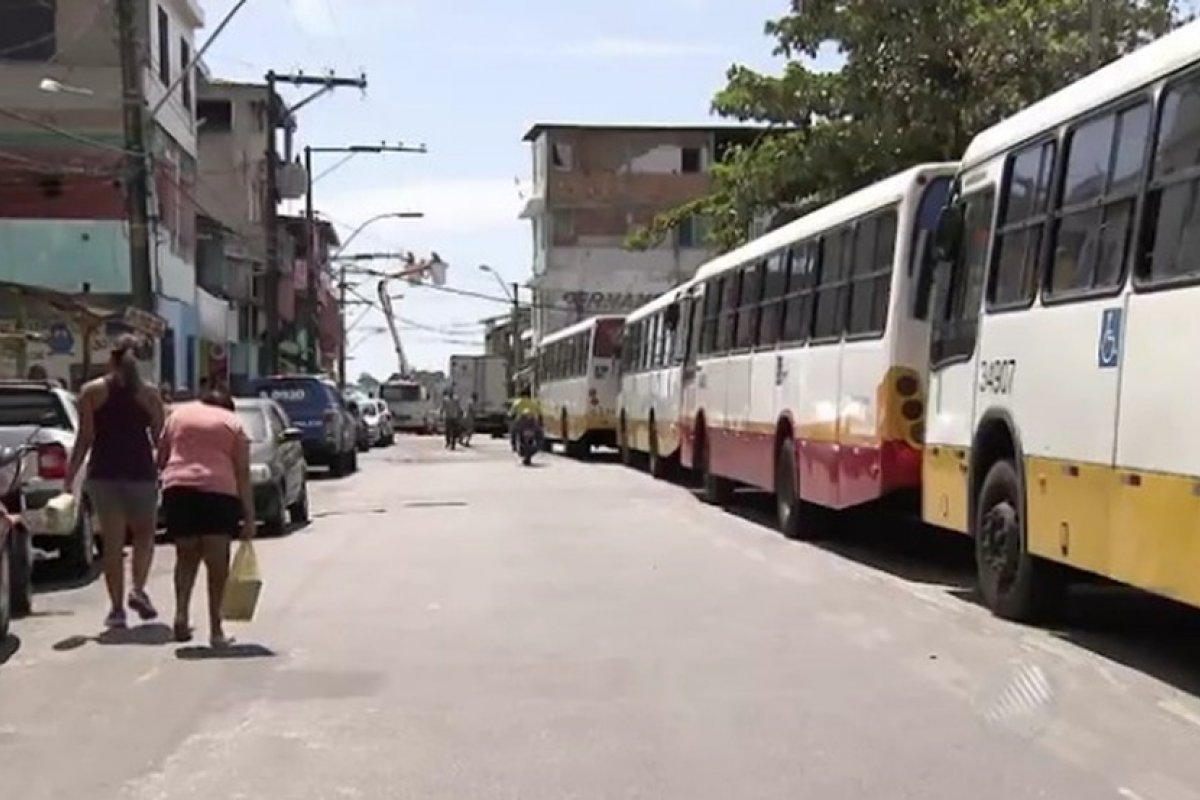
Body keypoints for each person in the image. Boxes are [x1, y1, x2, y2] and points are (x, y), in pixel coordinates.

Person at [65, 334, 165, 629]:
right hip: (141, 473)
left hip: (104, 473)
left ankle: (117, 609)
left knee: (112, 542)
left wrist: (70, 476)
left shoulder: (91, 392)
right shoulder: (150, 394)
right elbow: (160, 438)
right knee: (144, 536)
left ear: (111, 359)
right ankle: (138, 589)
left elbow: (85, 438)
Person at [157, 388, 255, 647]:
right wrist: (249, 516)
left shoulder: (177, 416)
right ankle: (216, 630)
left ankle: (181, 614)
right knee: (217, 564)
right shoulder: (233, 424)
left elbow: (161, 458)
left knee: (186, 556)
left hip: (178, 489)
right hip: (218, 492)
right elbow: (242, 473)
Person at [508, 387, 543, 452]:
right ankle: (539, 445)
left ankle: (514, 445)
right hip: (532, 422)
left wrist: (510, 416)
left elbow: (511, 412)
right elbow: (539, 412)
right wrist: (540, 422)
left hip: (521, 422)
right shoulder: (533, 402)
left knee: (513, 431)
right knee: (539, 432)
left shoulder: (517, 402)